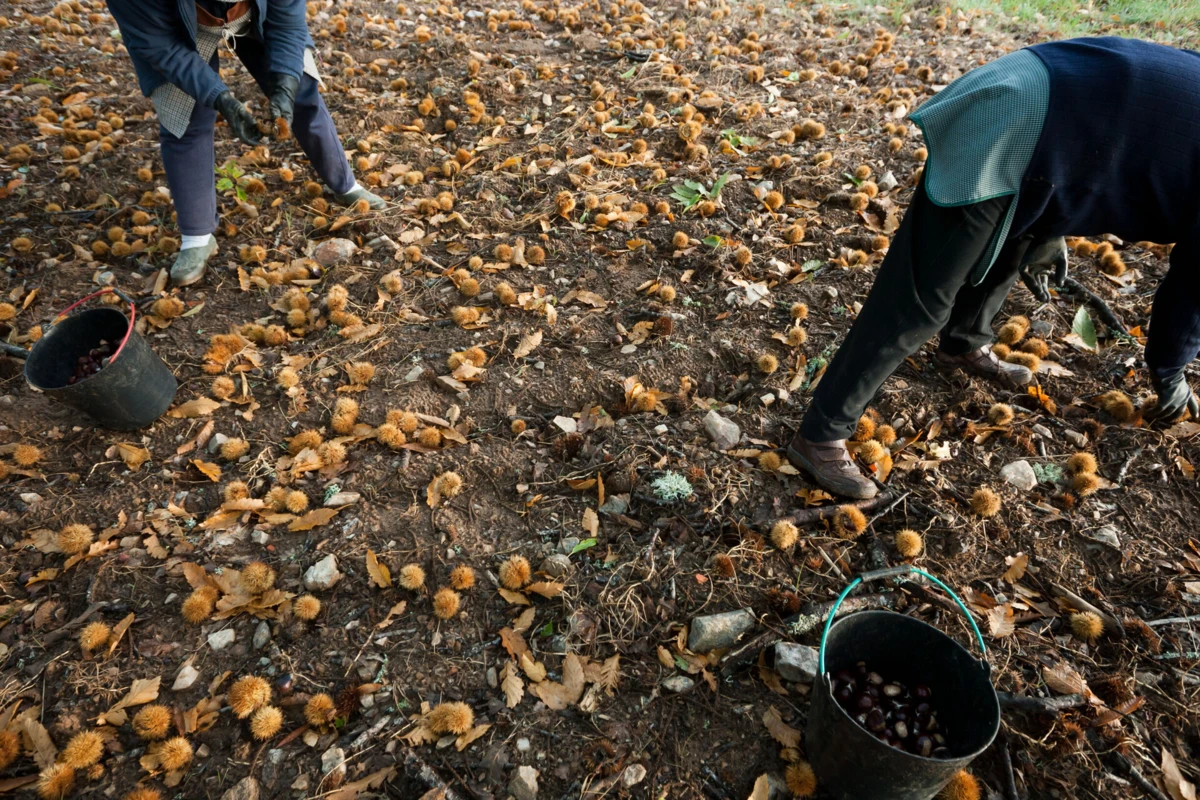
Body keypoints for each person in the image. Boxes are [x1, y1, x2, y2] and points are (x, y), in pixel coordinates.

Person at [787, 37, 1200, 500]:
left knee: (1017, 238)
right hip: (1016, 116)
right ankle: (819, 434)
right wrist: (1169, 371)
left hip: (1055, 110)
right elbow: (1193, 291)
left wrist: (1053, 222)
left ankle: (964, 343)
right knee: (922, 298)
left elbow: (1139, 137)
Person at [105, 0, 385, 286]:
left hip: (255, 9)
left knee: (300, 90)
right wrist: (220, 99)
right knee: (187, 114)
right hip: (170, 29)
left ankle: (345, 184)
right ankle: (197, 236)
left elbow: (287, 23)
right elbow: (162, 48)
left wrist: (286, 85)